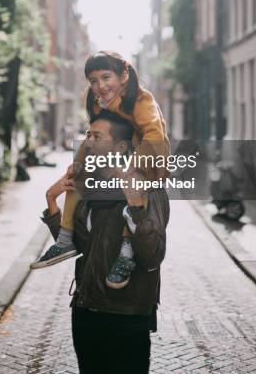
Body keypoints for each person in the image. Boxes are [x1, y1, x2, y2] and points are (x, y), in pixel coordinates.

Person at [40, 111, 169, 374]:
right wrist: (52, 203)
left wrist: (135, 208)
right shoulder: (91, 186)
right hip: (86, 308)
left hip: (127, 314)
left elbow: (152, 256)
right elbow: (78, 245)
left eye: (96, 136)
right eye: (87, 134)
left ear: (120, 146)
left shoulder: (149, 189)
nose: (87, 141)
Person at [31, 51, 170, 289]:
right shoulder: (99, 104)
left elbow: (154, 135)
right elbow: (91, 135)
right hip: (124, 152)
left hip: (149, 153)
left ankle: (126, 255)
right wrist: (78, 162)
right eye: (93, 81)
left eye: (106, 77)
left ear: (124, 74)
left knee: (136, 187)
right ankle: (64, 239)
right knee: (78, 177)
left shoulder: (141, 100)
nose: (100, 86)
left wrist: (133, 164)